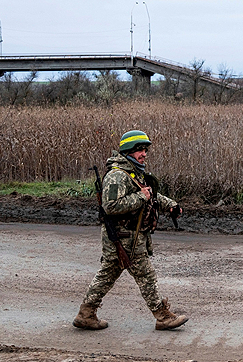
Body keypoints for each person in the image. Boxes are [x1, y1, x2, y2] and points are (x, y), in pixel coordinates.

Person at [73, 130, 187, 331]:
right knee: (146, 276)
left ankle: (86, 314)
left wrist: (171, 206)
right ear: (128, 151)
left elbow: (150, 195)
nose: (144, 154)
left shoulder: (133, 173)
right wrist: (141, 198)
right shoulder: (117, 176)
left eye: (145, 150)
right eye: (140, 150)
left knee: (107, 275)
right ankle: (163, 317)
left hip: (128, 237)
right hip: (123, 237)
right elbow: (111, 206)